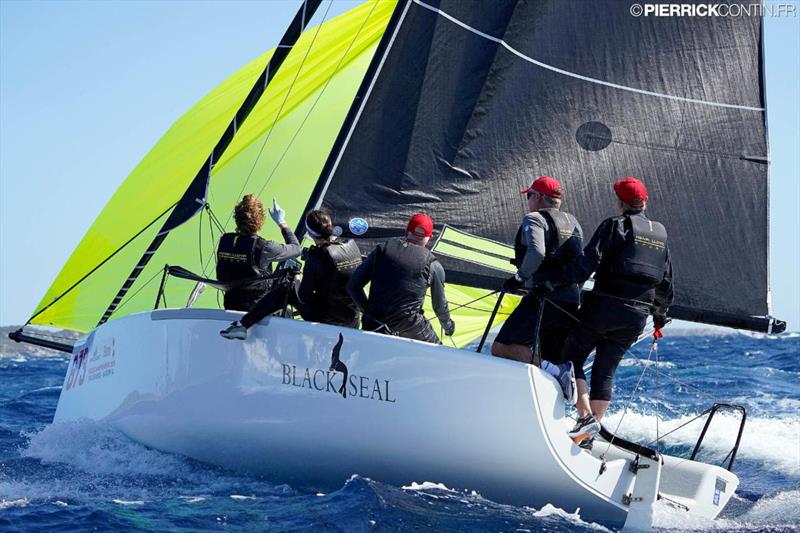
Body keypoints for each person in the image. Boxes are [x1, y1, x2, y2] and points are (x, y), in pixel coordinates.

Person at [561, 177, 673, 447]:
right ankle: (587, 434)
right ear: (644, 202)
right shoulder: (660, 234)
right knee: (605, 371)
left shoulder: (615, 225)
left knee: (570, 356)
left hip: (605, 306)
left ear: (621, 202)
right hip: (637, 316)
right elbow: (666, 281)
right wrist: (659, 316)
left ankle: (585, 416)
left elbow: (590, 260)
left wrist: (559, 281)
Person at [491, 176, 583, 403]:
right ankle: (556, 403)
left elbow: (537, 252)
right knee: (551, 358)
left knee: (501, 346)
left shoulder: (534, 218)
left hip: (543, 298)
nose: (528, 201)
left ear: (540, 197)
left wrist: (519, 277)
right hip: (570, 301)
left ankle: (557, 373)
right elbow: (580, 262)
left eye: (530, 195)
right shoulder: (574, 222)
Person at [220, 209, 363, 339]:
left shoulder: (316, 258)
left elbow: (303, 296)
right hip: (353, 319)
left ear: (309, 232)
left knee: (285, 289)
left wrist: (297, 277)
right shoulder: (352, 245)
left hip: (327, 320)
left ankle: (243, 325)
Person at [347, 213, 455, 344]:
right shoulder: (433, 265)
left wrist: (368, 311)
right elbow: (439, 306)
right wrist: (448, 327)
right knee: (439, 352)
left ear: (406, 232)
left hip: (373, 323)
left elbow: (353, 285)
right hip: (409, 326)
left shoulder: (382, 249)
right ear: (429, 238)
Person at [216, 195, 301, 311]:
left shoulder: (225, 240)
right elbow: (296, 249)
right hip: (257, 310)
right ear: (260, 220)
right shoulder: (265, 247)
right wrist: (281, 221)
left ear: (237, 218)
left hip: (230, 305)